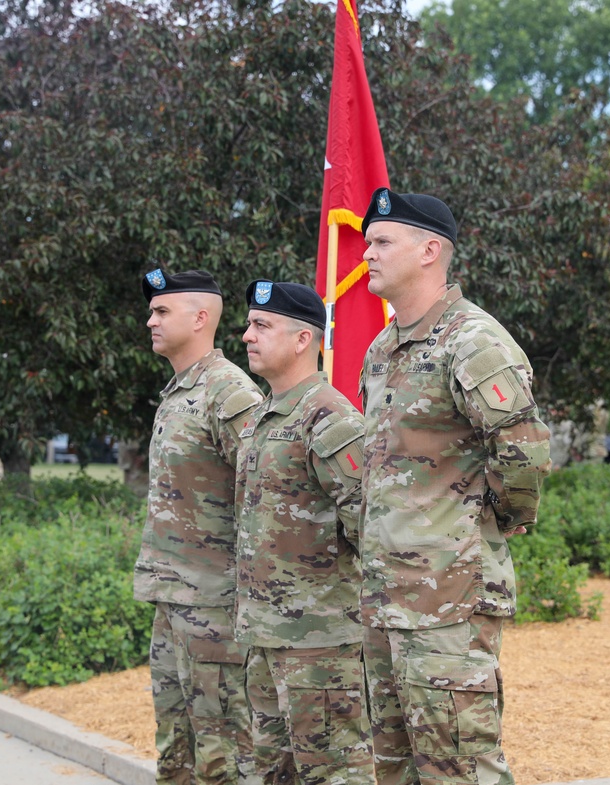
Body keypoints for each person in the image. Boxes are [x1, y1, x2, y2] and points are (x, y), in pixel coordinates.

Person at [357, 189, 552, 785]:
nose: (367, 253)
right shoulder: (382, 349)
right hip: (387, 597)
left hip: (450, 596)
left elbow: (523, 450)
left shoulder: (472, 340)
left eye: (382, 241)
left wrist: (487, 522)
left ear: (429, 250)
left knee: (459, 766)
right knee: (393, 767)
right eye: (368, 242)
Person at [235, 280, 375, 785]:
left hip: (320, 646)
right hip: (267, 636)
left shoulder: (330, 418)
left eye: (261, 325)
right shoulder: (264, 417)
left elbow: (370, 526)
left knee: (336, 773)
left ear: (302, 340)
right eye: (250, 323)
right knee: (270, 773)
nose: (247, 335)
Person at [133, 267, 264, 785]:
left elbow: (264, 490)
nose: (150, 321)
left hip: (215, 605)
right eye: (151, 311)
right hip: (174, 601)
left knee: (224, 755)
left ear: (201, 317)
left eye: (162, 311)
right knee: (176, 752)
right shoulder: (179, 391)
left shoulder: (228, 393)